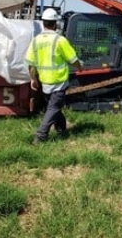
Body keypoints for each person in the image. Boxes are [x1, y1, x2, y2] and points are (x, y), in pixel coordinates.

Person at [25, 8, 83, 144]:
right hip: (59, 81)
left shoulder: (35, 41)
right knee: (53, 108)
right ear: (55, 23)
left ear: (43, 23)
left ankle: (61, 129)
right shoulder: (60, 40)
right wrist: (80, 68)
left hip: (45, 81)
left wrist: (33, 79)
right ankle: (40, 136)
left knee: (54, 106)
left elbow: (30, 64)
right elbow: (73, 59)